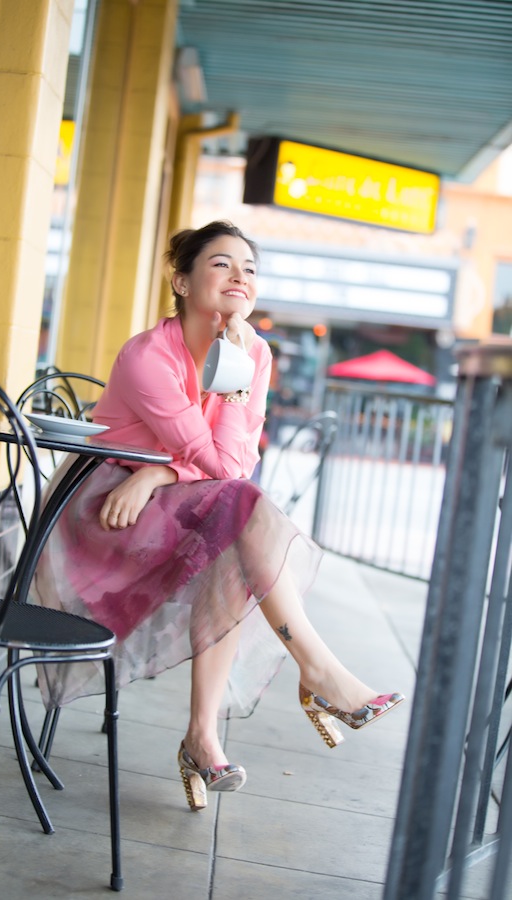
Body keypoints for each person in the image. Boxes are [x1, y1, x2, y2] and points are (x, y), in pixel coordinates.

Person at [33, 220, 404, 811]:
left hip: (175, 506)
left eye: (249, 269)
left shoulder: (253, 353)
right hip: (106, 515)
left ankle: (205, 739)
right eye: (222, 264)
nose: (239, 277)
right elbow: (225, 467)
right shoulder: (148, 356)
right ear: (181, 282)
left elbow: (237, 460)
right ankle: (317, 675)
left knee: (234, 531)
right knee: (237, 513)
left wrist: (165, 471)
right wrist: (161, 468)